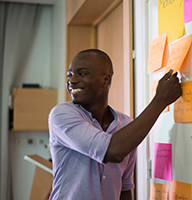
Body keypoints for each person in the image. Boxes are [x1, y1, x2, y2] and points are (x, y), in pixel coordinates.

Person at [48, 49, 182, 200]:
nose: (72, 81)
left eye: (82, 73)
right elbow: (114, 151)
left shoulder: (126, 126)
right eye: (70, 75)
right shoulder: (61, 115)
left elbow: (124, 187)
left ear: (105, 80)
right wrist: (160, 101)